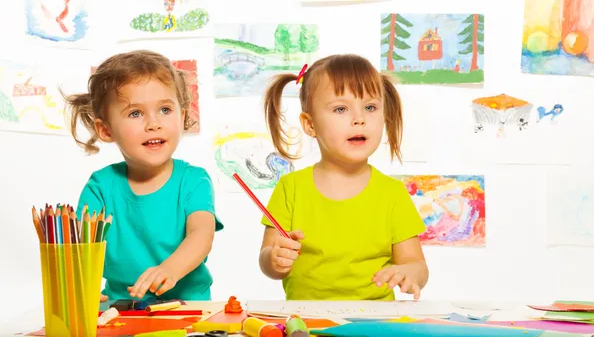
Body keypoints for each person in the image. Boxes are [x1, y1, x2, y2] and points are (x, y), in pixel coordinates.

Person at [259, 54, 428, 301]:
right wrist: (274, 259)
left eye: (370, 107)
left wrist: (408, 272)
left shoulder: (392, 193)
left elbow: (417, 265)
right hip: (306, 322)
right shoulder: (290, 187)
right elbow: (267, 260)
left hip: (375, 324)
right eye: (340, 109)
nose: (359, 118)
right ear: (310, 124)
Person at [64, 50, 223, 301]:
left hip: (186, 308)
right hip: (120, 308)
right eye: (135, 113)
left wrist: (169, 270)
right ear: (105, 130)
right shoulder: (100, 187)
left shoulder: (193, 181)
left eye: (165, 110)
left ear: (182, 117)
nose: (153, 124)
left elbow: (201, 235)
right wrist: (81, 286)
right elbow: (82, 248)